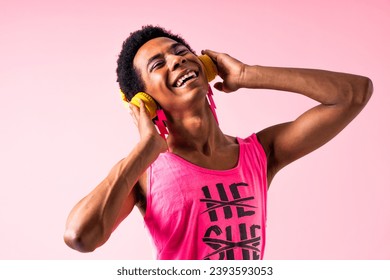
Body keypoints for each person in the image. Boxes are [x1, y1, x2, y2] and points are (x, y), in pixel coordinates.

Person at [63, 25, 373, 260]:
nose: (176, 60)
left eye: (181, 51)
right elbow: (80, 237)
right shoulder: (144, 170)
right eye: (157, 64)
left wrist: (248, 74)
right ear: (145, 100)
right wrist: (145, 148)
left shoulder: (260, 153)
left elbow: (354, 94)